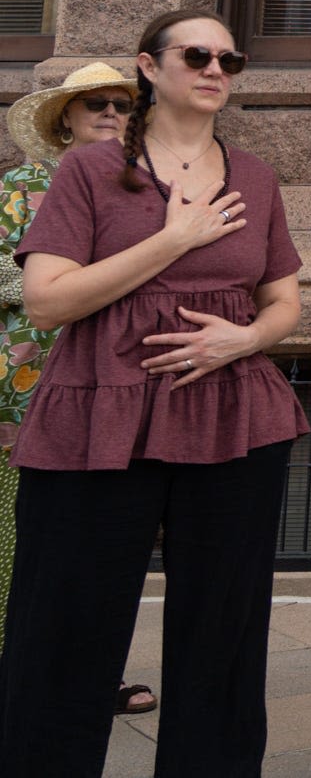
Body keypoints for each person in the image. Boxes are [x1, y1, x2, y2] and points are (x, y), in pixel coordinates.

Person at [0, 9, 308, 777]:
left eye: (229, 59)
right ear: (149, 65)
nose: (215, 70)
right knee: (65, 625)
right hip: (98, 411)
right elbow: (47, 300)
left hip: (234, 415)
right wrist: (173, 239)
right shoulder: (90, 171)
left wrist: (243, 339)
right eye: (197, 54)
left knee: (224, 633)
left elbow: (285, 300)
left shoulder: (258, 177)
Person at [0, 62, 156, 718]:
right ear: (65, 115)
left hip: (115, 386)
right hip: (25, 390)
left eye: (124, 103)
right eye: (95, 102)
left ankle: (97, 672)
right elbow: (16, 286)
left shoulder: (144, 185)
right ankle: (17, 672)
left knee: (104, 537)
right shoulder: (23, 186)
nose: (111, 111)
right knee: (22, 537)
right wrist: (78, 278)